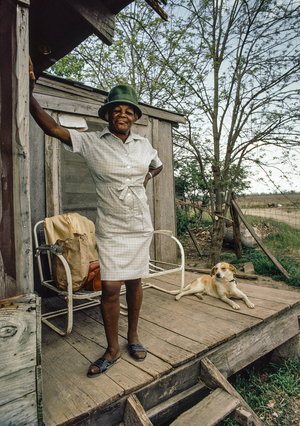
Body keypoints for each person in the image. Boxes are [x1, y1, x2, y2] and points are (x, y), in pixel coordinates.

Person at [29, 60, 163, 378]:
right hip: (113, 229)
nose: (122, 115)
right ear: (108, 114)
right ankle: (112, 349)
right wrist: (29, 92)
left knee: (135, 282)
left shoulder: (144, 145)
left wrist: (144, 181)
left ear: (134, 117)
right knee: (110, 288)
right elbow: (51, 128)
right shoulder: (91, 142)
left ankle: (133, 338)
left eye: (128, 111)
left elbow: (157, 166)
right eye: (116, 109)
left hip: (138, 226)